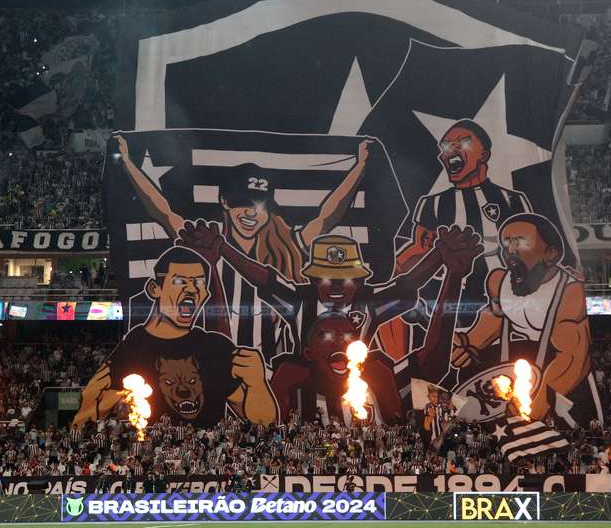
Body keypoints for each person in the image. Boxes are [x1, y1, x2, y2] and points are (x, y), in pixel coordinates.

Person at [116, 134, 373, 359]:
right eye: (242, 203)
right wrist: (127, 164)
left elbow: (327, 217)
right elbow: (163, 212)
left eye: (259, 206)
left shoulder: (287, 246)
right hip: (212, 360)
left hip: (273, 365)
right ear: (225, 202)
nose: (251, 213)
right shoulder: (204, 241)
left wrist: (360, 167)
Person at [267, 227, 481, 425]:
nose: (340, 342)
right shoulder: (289, 381)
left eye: (349, 335)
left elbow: (433, 364)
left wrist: (453, 277)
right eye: (326, 336)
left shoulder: (379, 375)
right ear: (308, 353)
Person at [179, 220, 476, 353]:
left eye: (344, 278)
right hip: (305, 385)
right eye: (325, 278)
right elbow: (265, 279)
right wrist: (223, 248)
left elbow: (405, 286)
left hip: (357, 386)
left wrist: (439, 256)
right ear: (311, 279)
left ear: (359, 282)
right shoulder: (301, 303)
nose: (335, 287)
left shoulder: (369, 304)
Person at [377, 119, 533, 360]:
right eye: (446, 146)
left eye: (463, 143)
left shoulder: (513, 201)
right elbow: (414, 255)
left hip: (501, 319)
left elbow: (529, 255)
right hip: (442, 316)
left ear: (484, 154)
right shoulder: (432, 204)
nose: (451, 151)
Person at [73, 246, 277, 427]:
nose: (191, 289)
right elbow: (82, 425)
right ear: (155, 289)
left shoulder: (216, 346)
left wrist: (257, 384)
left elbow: (262, 425)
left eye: (199, 282)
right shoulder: (131, 350)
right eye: (180, 281)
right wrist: (91, 403)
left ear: (205, 294)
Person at [449, 213, 601, 428]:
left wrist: (534, 408)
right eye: (507, 243)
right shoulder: (498, 280)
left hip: (559, 378)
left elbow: (573, 358)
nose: (510, 251)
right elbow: (495, 318)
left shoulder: (570, 292)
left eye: (520, 242)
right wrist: (468, 342)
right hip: (524, 365)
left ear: (551, 253)